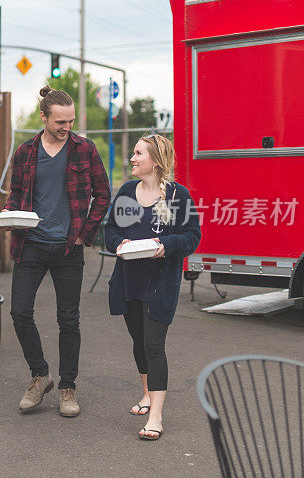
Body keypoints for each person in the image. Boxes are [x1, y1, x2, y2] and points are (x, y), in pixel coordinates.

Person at [0, 86, 110, 417]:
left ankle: (67, 387)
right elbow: (17, 192)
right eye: (61, 122)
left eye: (71, 121)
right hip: (31, 245)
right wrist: (9, 214)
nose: (67, 128)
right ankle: (40, 374)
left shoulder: (84, 149)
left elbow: (103, 195)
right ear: (43, 117)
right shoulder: (25, 152)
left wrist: (84, 235)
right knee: (19, 313)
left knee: (68, 319)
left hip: (67, 249)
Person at [104, 134, 201, 440]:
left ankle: (156, 416)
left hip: (160, 283)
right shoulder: (126, 193)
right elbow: (110, 231)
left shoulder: (177, 195)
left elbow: (192, 237)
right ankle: (146, 394)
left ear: (155, 162)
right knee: (138, 341)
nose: (132, 158)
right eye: (133, 153)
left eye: (138, 153)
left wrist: (166, 244)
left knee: (154, 345)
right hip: (129, 281)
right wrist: (120, 243)